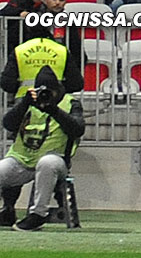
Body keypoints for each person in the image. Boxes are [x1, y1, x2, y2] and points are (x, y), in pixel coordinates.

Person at [0, 65, 84, 231]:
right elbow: (8, 124)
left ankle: (38, 215)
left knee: (46, 163)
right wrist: (25, 103)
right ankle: (6, 210)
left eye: (49, 92)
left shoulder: (71, 103)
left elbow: (78, 129)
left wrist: (53, 109)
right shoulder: (28, 101)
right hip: (21, 160)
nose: (45, 95)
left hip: (55, 160)